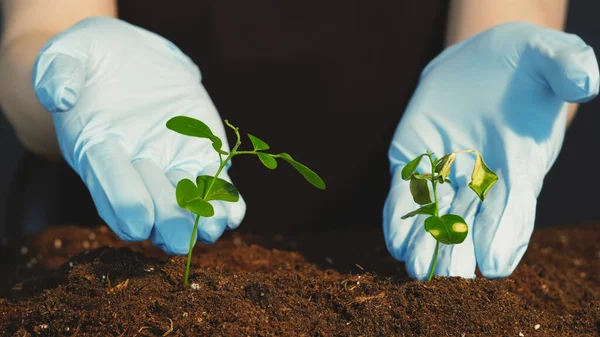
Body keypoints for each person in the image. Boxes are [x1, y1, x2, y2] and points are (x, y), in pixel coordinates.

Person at [0, 0, 597, 280]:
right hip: (128, 221)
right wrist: (68, 74)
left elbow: (517, 39)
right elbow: (37, 31)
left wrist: (508, 87)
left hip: (387, 245)